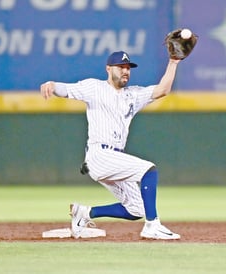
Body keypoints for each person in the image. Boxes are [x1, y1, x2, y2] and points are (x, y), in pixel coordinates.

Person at [40, 51, 181, 240]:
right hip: (99, 155)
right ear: (108, 69)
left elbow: (162, 89)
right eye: (121, 67)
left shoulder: (133, 95)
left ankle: (84, 214)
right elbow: (66, 89)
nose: (125, 71)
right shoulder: (94, 88)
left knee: (136, 208)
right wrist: (51, 85)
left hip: (114, 158)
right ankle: (152, 225)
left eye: (128, 68)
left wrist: (173, 62)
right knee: (149, 170)